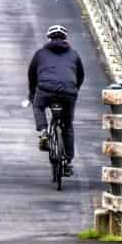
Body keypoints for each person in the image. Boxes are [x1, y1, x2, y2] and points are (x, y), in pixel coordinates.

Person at [27, 24, 84, 174]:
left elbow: (32, 75)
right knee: (68, 126)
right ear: (65, 38)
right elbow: (80, 76)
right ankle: (68, 160)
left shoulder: (40, 54)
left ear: (49, 38)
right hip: (68, 93)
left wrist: (32, 94)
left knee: (38, 106)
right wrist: (74, 90)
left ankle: (44, 130)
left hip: (45, 90)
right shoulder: (74, 54)